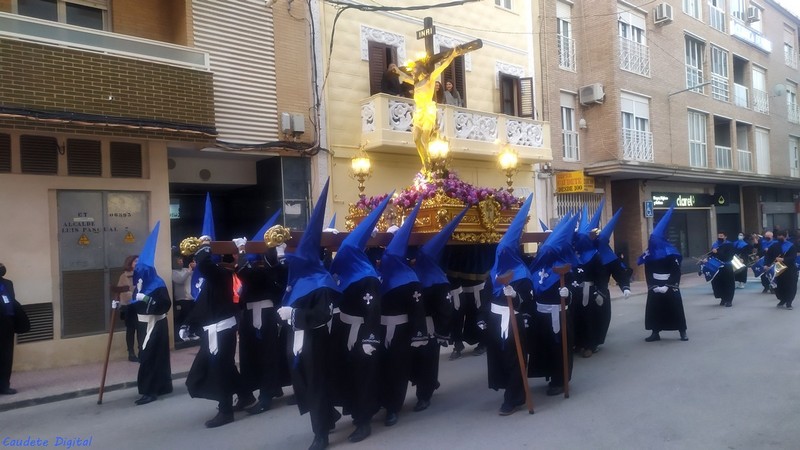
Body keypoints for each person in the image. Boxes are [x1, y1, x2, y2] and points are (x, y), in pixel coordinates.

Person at [277, 179, 340, 450]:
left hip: (317, 343)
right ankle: (328, 416)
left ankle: (321, 433)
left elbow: (321, 316)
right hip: (298, 342)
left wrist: (292, 315)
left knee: (317, 384)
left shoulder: (322, 283)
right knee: (304, 383)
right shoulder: (298, 281)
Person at [328, 195, 392, 443]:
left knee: (363, 376)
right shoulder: (345, 273)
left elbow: (373, 311)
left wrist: (370, 339)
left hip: (363, 332)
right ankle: (355, 411)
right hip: (344, 329)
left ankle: (364, 421)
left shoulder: (367, 278)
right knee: (347, 374)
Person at [409, 207, 467, 413]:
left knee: (428, 359)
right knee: (417, 359)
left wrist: (442, 332)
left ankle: (424, 395)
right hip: (414, 324)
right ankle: (428, 383)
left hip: (429, 326)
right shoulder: (413, 273)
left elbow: (445, 308)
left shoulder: (439, 280)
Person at [378, 200, 428, 428]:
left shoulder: (410, 280)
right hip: (380, 328)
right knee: (383, 366)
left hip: (402, 329)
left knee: (398, 368)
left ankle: (393, 407)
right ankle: (383, 401)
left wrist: (418, 334)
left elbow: (417, 309)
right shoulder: (379, 274)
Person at [484, 195, 535, 414]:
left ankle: (514, 398)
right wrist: (482, 317)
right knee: (500, 356)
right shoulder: (493, 273)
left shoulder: (522, 274)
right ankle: (508, 389)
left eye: (506, 251)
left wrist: (516, 296)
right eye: (499, 251)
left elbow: (529, 301)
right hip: (496, 319)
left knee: (516, 358)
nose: (502, 254)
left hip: (514, 319)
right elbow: (486, 297)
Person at [234, 209, 284, 415]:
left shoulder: (270, 270)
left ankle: (266, 395)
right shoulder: (259, 269)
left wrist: (243, 250)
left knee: (268, 356)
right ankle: (247, 393)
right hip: (249, 315)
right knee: (248, 356)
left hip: (266, 315)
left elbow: (247, 271)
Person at [528, 211, 579, 397]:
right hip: (541, 315)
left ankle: (561, 379)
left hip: (559, 315)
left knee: (559, 347)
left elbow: (575, 291)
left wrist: (569, 294)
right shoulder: (539, 267)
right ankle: (549, 374)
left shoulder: (565, 268)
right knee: (545, 346)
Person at [127, 222, 173, 405]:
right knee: (150, 355)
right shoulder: (140, 286)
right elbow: (134, 305)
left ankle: (150, 391)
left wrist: (146, 300)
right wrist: (124, 307)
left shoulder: (157, 285)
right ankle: (160, 386)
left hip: (155, 324)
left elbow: (164, 304)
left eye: (141, 271)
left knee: (150, 357)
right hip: (142, 324)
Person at [638, 205, 688, 342]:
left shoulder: (671, 253)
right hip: (655, 283)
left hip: (669, 284)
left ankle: (682, 331)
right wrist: (652, 285)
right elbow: (647, 270)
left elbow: (676, 270)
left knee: (675, 308)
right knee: (655, 309)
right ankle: (655, 332)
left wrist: (669, 285)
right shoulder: (650, 254)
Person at [0, 262, 26, 395]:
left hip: (7, 324)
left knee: (6, 356)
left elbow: (12, 300)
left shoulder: (8, 283)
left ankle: (4, 386)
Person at [764, 229, 798, 309]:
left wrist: (784, 260)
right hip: (778, 268)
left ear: (785, 236)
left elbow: (793, 257)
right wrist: (766, 264)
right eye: (779, 235)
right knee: (779, 285)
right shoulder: (774, 245)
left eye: (781, 235)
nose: (780, 237)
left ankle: (789, 302)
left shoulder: (791, 246)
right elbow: (768, 256)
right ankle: (782, 300)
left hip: (789, 268)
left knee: (790, 285)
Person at [117, 255, 140, 362]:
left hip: (140, 305)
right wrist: (136, 296)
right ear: (130, 262)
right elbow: (124, 292)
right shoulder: (124, 276)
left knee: (141, 329)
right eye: (135, 261)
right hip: (129, 306)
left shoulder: (141, 274)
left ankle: (142, 351)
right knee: (131, 330)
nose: (137, 263)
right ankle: (131, 353)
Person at [171, 252, 196, 344]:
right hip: (182, 298)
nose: (181, 262)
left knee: (193, 315)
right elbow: (180, 280)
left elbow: (195, 276)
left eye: (182, 260)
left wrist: (195, 267)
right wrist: (189, 271)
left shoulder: (186, 269)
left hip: (191, 297)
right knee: (184, 316)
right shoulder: (173, 272)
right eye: (179, 260)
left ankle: (191, 332)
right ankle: (182, 333)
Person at [710, 231, 736, 307]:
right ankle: (723, 298)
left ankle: (729, 300)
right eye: (719, 236)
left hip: (726, 266)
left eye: (722, 236)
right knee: (718, 283)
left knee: (728, 283)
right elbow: (711, 254)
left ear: (725, 237)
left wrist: (717, 252)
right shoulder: (715, 244)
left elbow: (728, 256)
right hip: (717, 266)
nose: (720, 238)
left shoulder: (729, 245)